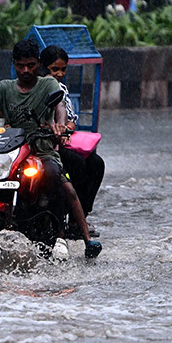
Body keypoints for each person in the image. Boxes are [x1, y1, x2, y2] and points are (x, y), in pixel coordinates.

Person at [0, 38, 100, 257]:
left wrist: (60, 125)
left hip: (42, 150)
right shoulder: (5, 87)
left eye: (31, 65)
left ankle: (80, 237)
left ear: (38, 64)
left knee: (60, 180)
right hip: (11, 150)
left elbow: (60, 105)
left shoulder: (48, 85)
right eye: (20, 65)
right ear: (14, 64)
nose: (25, 70)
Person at [40, 45, 105, 225]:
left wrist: (66, 128)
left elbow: (71, 117)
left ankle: (80, 216)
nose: (59, 73)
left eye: (63, 69)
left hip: (62, 142)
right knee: (77, 165)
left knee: (96, 164)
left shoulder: (62, 88)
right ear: (44, 67)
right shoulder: (37, 86)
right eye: (55, 69)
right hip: (43, 144)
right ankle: (61, 212)